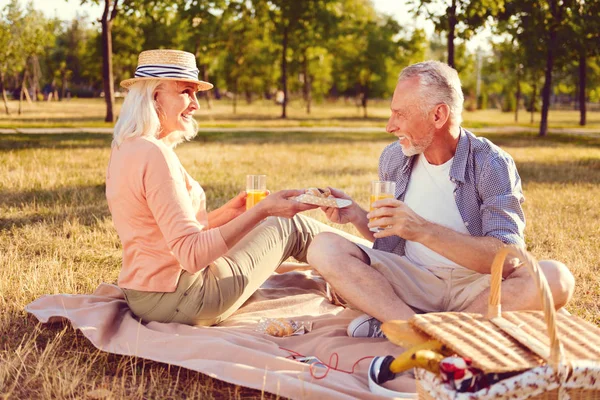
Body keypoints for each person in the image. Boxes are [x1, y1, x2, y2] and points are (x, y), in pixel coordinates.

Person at [306, 60, 575, 338]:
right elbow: (388, 237)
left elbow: (508, 259)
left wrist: (422, 230)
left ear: (438, 115)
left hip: (476, 288)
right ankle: (419, 329)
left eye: (400, 114)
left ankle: (427, 329)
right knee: (324, 247)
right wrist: (355, 214)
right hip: (413, 279)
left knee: (557, 277)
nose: (390, 126)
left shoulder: (491, 164)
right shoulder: (393, 157)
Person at [106, 49, 364, 326]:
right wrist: (262, 211)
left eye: (196, 94)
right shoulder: (156, 155)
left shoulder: (125, 147)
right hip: (184, 300)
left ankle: (367, 259)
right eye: (185, 92)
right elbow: (191, 255)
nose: (196, 104)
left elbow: (165, 233)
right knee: (288, 226)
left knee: (272, 226)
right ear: (154, 96)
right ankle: (382, 259)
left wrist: (231, 213)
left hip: (144, 296)